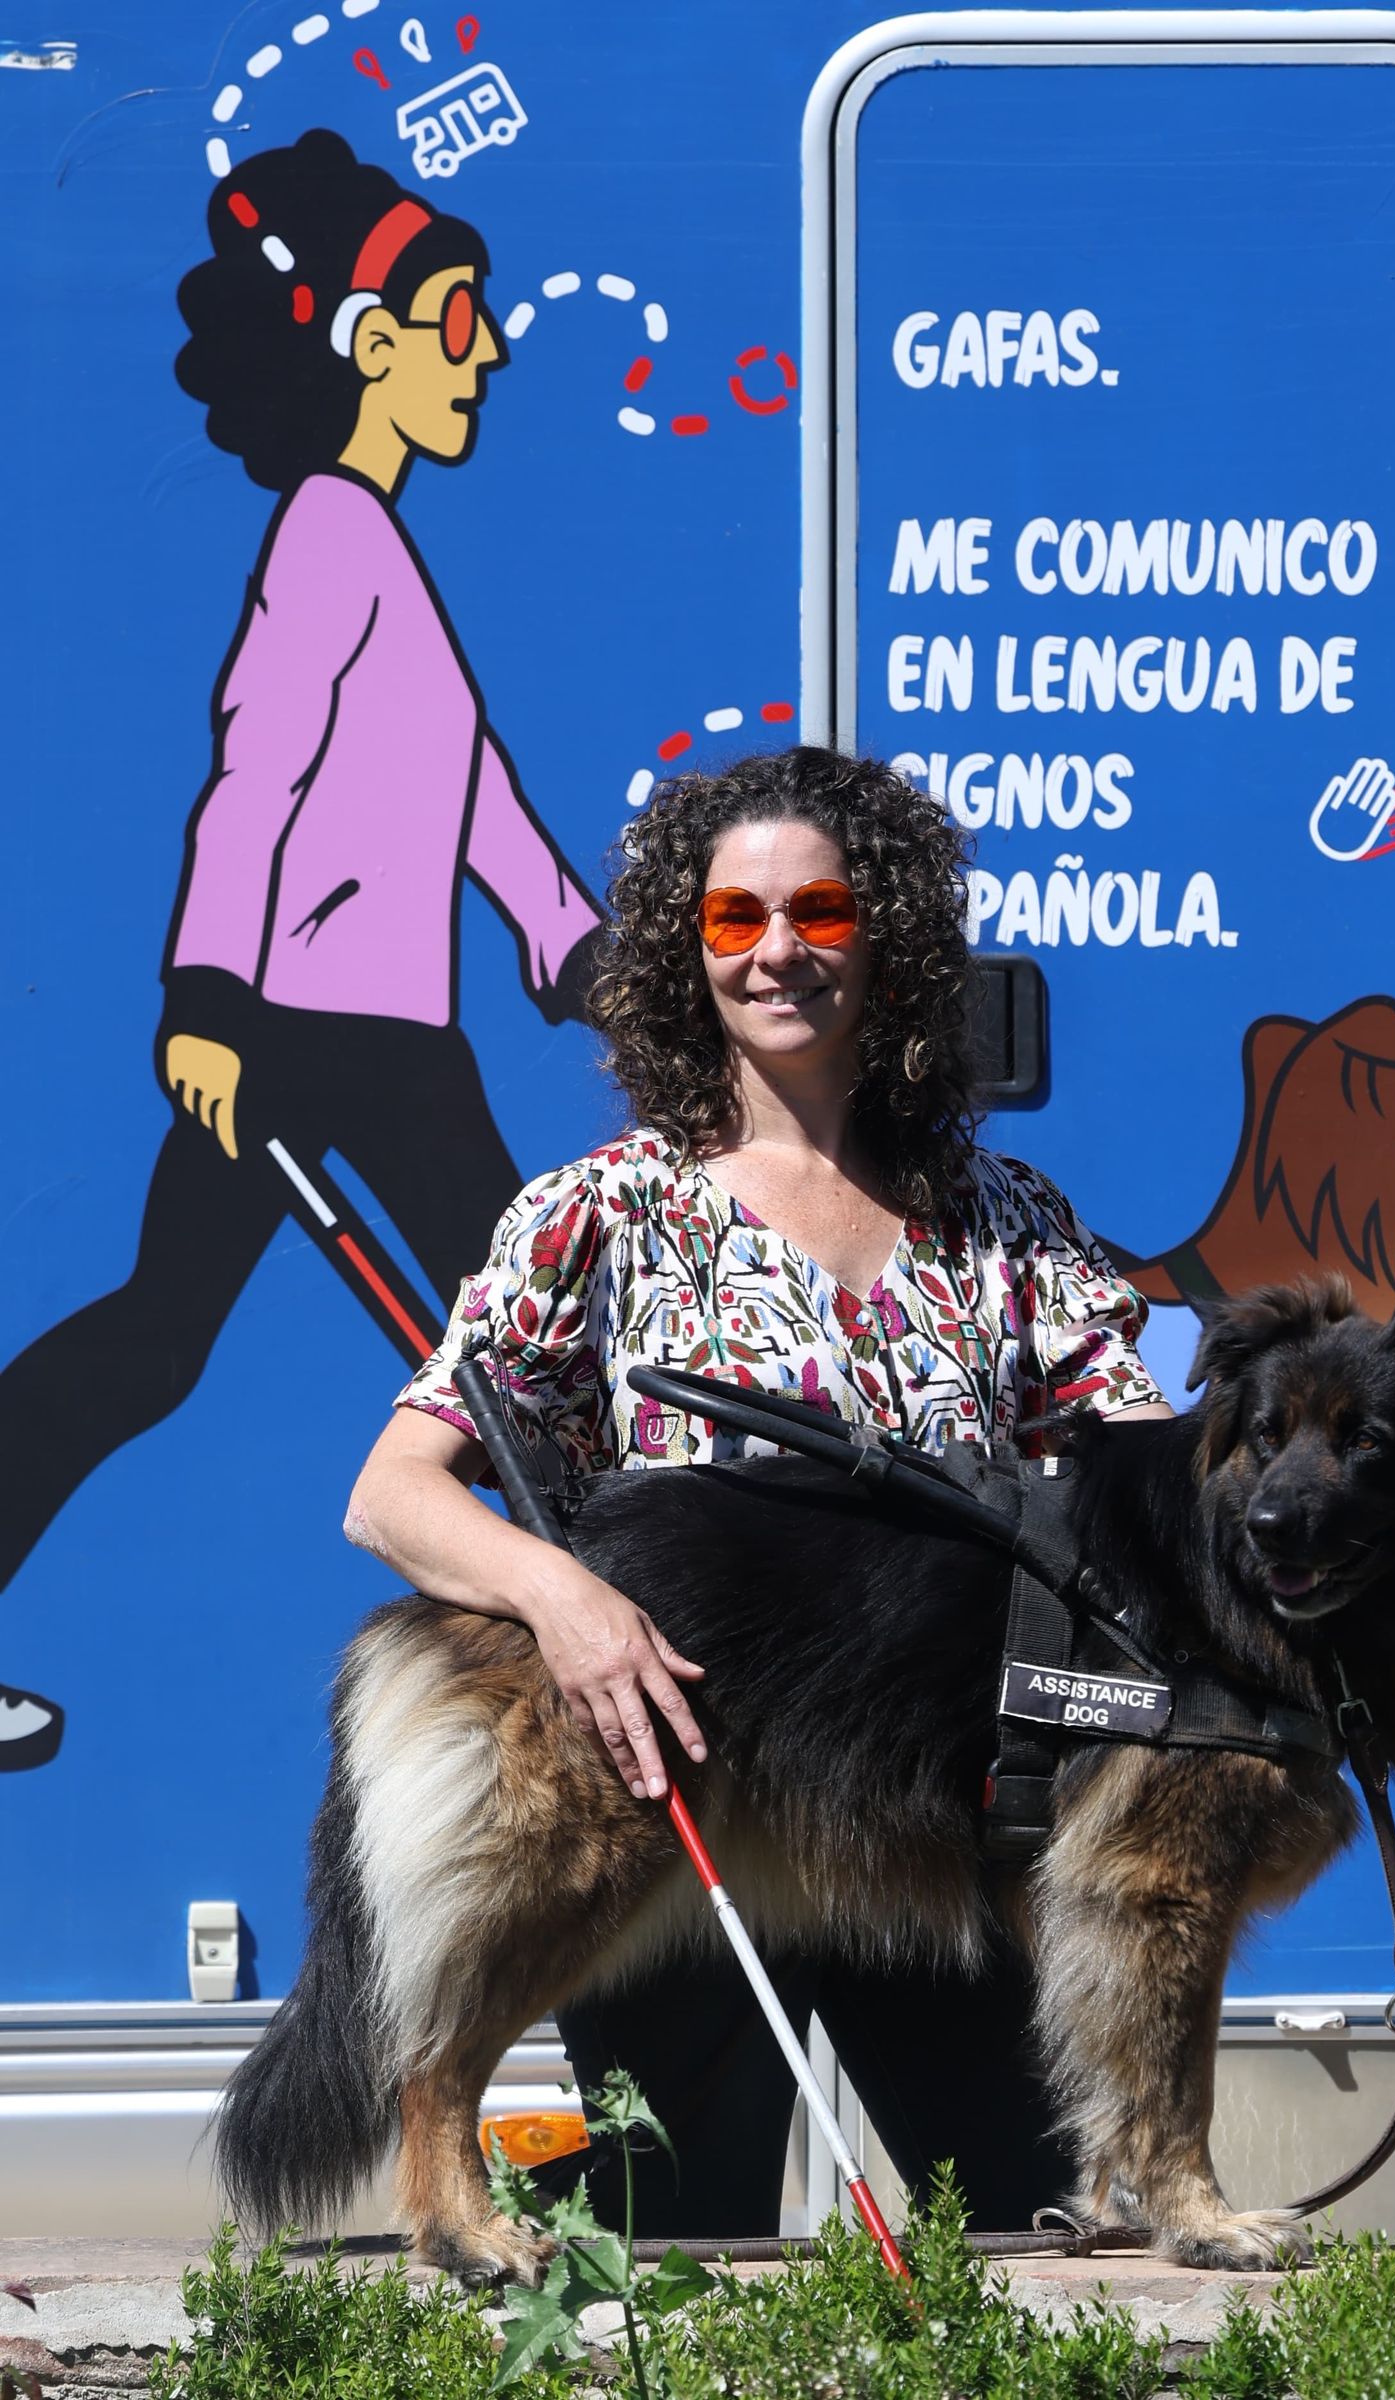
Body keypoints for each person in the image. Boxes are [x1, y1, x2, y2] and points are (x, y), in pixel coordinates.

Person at [346, 744, 1171, 2234]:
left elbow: (1147, 1487)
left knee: (1018, 2247)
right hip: (688, 1814)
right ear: (688, 949)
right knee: (674, 2247)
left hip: (947, 1826)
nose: (779, 950)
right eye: (737, 920)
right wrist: (570, 1606)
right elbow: (396, 1495)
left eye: (821, 910)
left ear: (893, 940)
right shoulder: (599, 1213)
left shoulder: (1011, 1220)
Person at [0, 130, 599, 1767]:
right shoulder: (333, 542)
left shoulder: (385, 557)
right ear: (373, 349)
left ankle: (614, 1637)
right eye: (460, 321)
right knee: (500, 1349)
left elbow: (476, 803)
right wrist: (204, 1002)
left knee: (482, 1347)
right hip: (313, 1033)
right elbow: (252, 779)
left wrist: (587, 966)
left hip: (388, 1035)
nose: (487, 354)